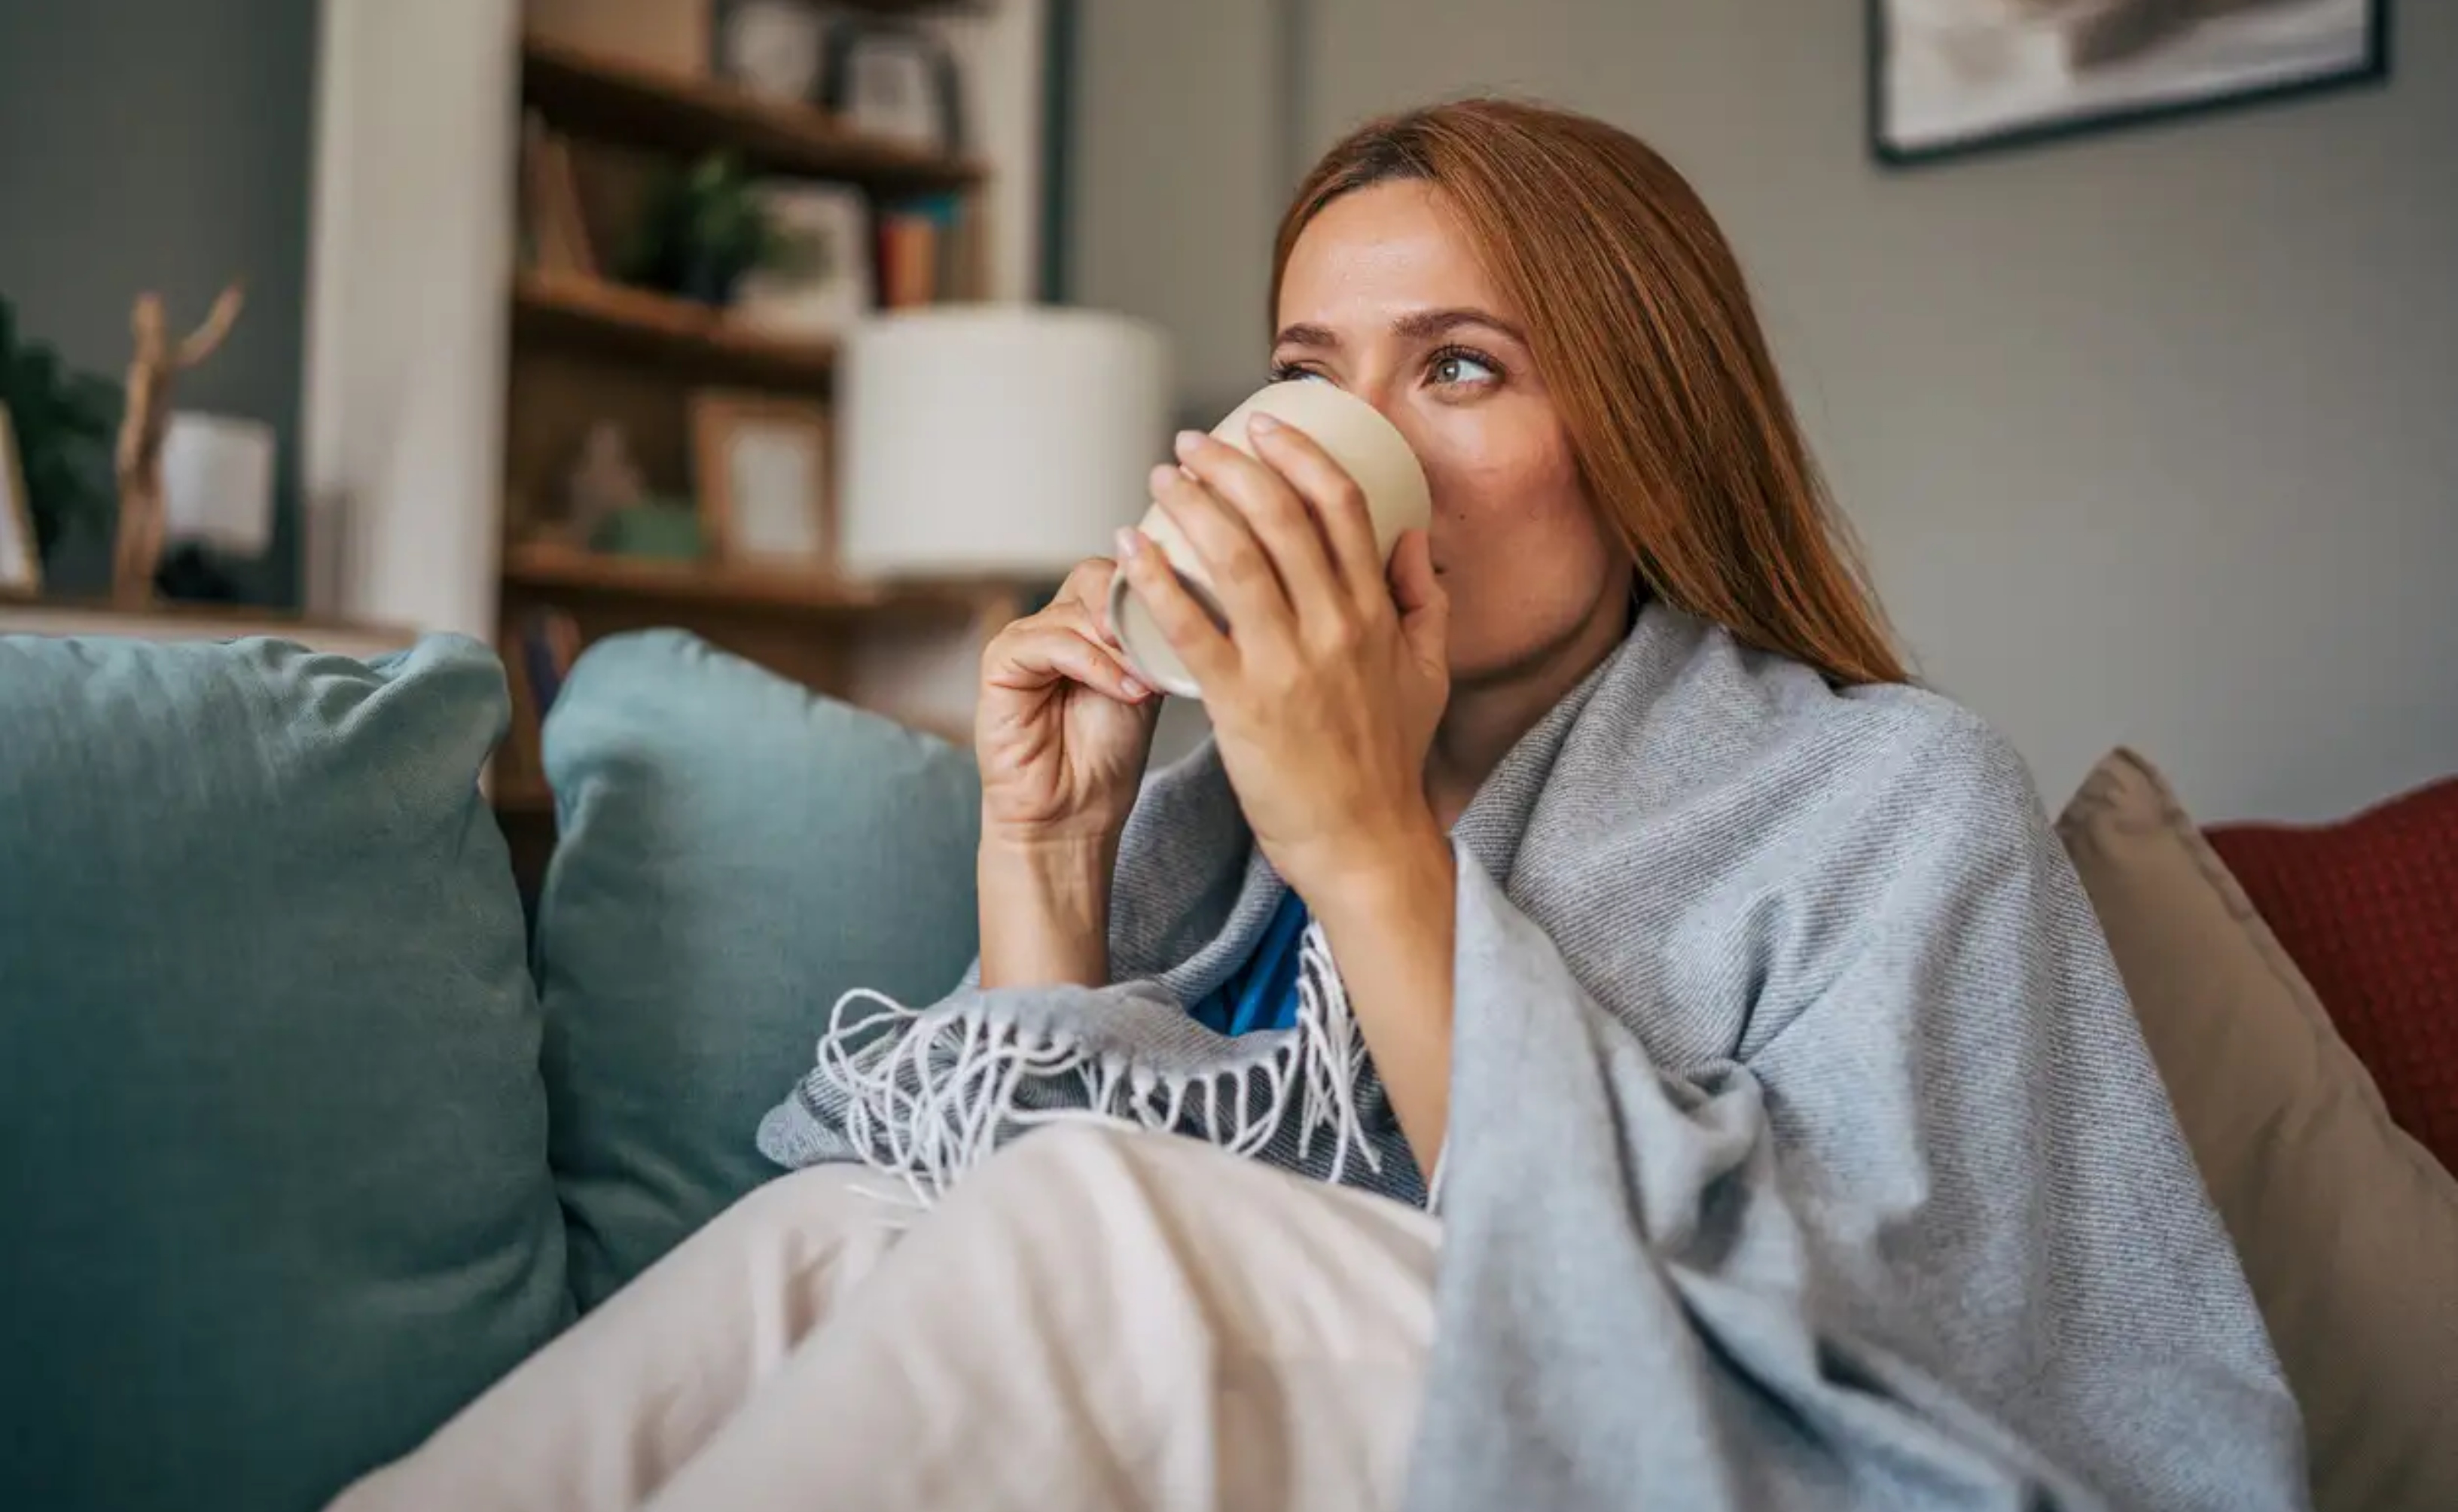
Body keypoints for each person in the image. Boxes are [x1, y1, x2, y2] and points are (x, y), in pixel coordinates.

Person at [331, 100, 2308, 1512]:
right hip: (1257, 1408)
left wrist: (1367, 839)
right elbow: (954, 1217)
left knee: (1100, 1216)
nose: (1354, 448)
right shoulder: (1222, 817)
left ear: (1641, 438)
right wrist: (1047, 853)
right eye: (1307, 375)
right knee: (838, 1224)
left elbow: (1892, 1355)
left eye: (1461, 367)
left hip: (1651, 1431)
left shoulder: (1881, 796)